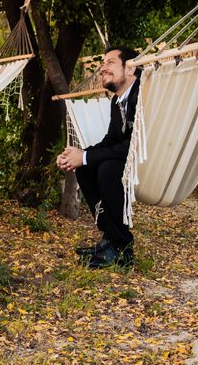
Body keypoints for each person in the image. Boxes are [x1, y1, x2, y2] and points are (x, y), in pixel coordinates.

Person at [56, 46, 141, 269]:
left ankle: (122, 246)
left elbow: (134, 144)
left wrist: (86, 156)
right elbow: (111, 141)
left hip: (150, 161)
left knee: (107, 169)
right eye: (104, 63)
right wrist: (80, 156)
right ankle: (112, 240)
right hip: (127, 158)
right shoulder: (117, 101)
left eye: (111, 62)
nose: (103, 68)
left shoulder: (144, 97)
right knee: (86, 167)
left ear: (130, 68)